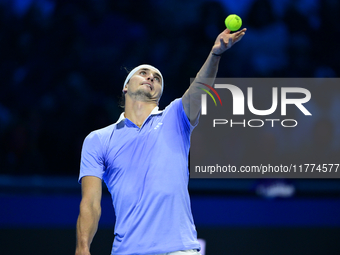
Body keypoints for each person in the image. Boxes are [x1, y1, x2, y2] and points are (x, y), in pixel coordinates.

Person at [75, 28, 247, 255]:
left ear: (159, 92)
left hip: (179, 250)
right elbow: (91, 203)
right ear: (126, 86)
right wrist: (82, 248)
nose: (150, 78)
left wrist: (215, 55)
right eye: (143, 73)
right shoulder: (98, 140)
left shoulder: (175, 116)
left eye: (157, 78)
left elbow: (199, 89)